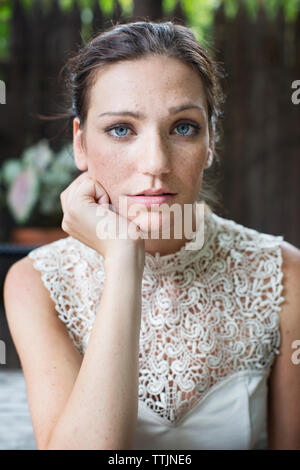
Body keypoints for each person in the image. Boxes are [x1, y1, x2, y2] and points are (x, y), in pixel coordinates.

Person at [3, 20, 300, 451]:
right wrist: (124, 259)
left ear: (211, 140)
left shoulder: (285, 276)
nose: (156, 162)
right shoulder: (37, 283)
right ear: (81, 144)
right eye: (121, 129)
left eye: (183, 127)